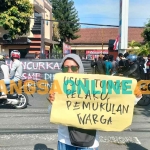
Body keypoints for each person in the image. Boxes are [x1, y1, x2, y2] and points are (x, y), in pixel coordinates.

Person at [49, 54, 99, 150]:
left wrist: (136, 96)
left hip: (89, 142)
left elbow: (112, 104)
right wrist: (53, 104)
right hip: (65, 140)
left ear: (80, 69)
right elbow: (52, 115)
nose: (69, 71)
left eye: (74, 68)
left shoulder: (93, 86)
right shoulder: (58, 87)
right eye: (65, 68)